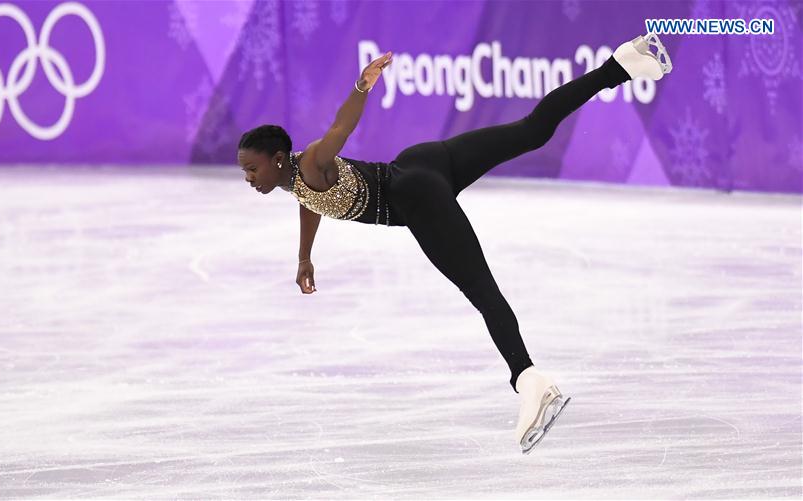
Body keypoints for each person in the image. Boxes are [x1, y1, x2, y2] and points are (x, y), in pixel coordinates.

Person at [236, 34, 673, 454]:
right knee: (531, 129)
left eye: (252, 170)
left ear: (276, 160)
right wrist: (304, 256)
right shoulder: (296, 178)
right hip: (421, 162)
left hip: (413, 200)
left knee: (482, 291)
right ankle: (620, 66)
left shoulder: (312, 161)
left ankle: (529, 378)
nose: (249, 179)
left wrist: (361, 86)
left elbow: (339, 130)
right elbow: (310, 201)